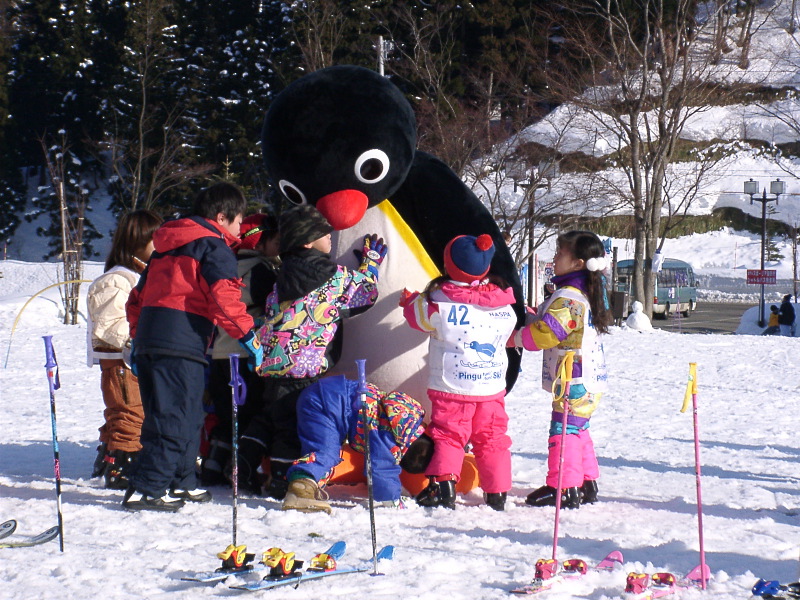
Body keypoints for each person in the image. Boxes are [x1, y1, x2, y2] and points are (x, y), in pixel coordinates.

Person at [123, 182, 263, 512]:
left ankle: (181, 480)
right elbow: (224, 298)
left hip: (154, 340)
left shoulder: (165, 249)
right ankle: (148, 487)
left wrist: (140, 339)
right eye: (238, 221)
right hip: (181, 340)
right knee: (175, 416)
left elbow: (137, 299)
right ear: (221, 217)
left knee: (184, 415)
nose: (240, 229)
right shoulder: (213, 247)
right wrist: (250, 338)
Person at [235, 204, 387, 500]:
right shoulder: (330, 275)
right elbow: (364, 293)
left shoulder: (282, 274)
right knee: (293, 425)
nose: (330, 236)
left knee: (269, 416)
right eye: (323, 232)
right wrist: (370, 264)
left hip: (272, 359)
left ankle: (243, 460)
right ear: (307, 242)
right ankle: (282, 479)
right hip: (303, 366)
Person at [400, 233, 518, 511]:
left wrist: (409, 301)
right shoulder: (501, 299)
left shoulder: (439, 300)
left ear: (448, 265)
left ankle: (444, 487)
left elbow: (417, 318)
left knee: (448, 435)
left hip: (452, 385)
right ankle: (498, 492)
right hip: (490, 386)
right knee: (492, 437)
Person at [509, 230, 612, 509]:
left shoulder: (569, 298)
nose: (554, 259)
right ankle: (586, 482)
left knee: (563, 430)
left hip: (573, 380)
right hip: (587, 378)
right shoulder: (582, 292)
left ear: (578, 263)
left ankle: (563, 487)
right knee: (578, 429)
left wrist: (516, 338)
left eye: (559, 254)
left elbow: (548, 333)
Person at [201, 213, 280, 486]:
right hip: (247, 355)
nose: (279, 246)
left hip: (220, 355)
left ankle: (212, 466)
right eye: (275, 240)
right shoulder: (261, 271)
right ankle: (242, 471)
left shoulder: (226, 267)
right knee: (251, 414)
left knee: (227, 416)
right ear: (260, 242)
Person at [87, 209, 163, 489]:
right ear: (137, 241)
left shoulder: (140, 275)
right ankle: (123, 464)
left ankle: (109, 453)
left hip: (130, 359)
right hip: (122, 361)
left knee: (124, 410)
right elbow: (110, 324)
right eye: (156, 241)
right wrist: (142, 340)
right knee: (131, 412)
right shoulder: (117, 280)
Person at [281, 375, 434, 514]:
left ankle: (306, 485)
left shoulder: (407, 419)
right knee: (326, 453)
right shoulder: (389, 438)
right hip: (326, 404)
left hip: (333, 391)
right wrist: (393, 500)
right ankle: (300, 491)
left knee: (321, 449)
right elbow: (382, 470)